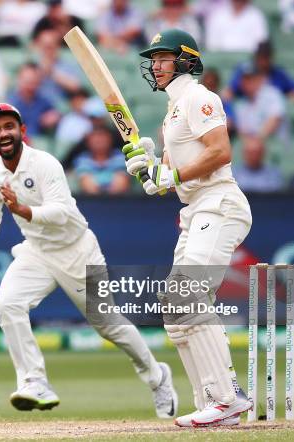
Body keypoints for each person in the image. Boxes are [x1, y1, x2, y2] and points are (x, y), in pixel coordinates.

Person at [0, 103, 177, 418]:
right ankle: (34, 382)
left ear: (22, 131)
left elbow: (60, 212)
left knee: (109, 326)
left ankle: (158, 377)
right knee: (8, 304)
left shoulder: (44, 163)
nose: (2, 133)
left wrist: (23, 211)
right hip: (37, 252)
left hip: (78, 250)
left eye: (8, 127)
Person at [123, 29, 253, 427]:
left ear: (185, 59)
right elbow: (170, 181)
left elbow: (220, 152)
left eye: (163, 58)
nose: (156, 65)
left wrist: (170, 173)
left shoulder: (200, 97)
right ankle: (211, 403)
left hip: (220, 201)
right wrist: (149, 169)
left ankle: (226, 398)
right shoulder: (172, 114)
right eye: (153, 59)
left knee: (188, 291)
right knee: (175, 308)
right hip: (194, 208)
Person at [74, 125, 129, 195]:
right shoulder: (82, 160)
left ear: (110, 139)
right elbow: (87, 186)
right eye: (95, 137)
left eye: (102, 137)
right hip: (92, 202)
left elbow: (121, 184)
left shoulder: (120, 157)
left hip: (119, 201)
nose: (99, 141)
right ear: (88, 141)